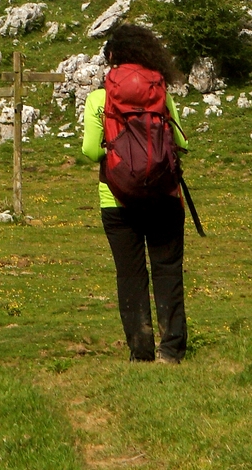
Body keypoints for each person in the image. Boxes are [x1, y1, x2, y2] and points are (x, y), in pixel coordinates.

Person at [76, 22, 192, 362]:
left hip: (116, 199)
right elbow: (182, 143)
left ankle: (140, 351)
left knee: (130, 274)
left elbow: (88, 151)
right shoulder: (162, 94)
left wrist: (115, 154)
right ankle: (171, 351)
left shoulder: (99, 99)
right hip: (164, 197)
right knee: (167, 270)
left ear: (112, 57)